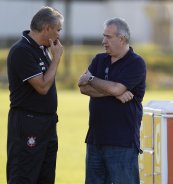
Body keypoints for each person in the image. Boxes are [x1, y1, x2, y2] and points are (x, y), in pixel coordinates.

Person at [78, 17, 146, 184]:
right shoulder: (99, 59)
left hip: (122, 143)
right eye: (104, 36)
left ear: (122, 39)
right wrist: (114, 92)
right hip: (95, 140)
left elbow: (97, 84)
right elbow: (82, 86)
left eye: (108, 37)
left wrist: (92, 78)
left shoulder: (136, 63)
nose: (103, 41)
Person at [6, 6, 64, 184]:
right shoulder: (22, 50)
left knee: (45, 177)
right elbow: (42, 87)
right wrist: (56, 59)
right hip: (28, 123)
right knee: (24, 176)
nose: (59, 35)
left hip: (47, 124)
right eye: (58, 30)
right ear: (47, 28)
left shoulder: (41, 49)